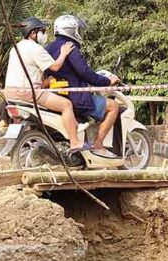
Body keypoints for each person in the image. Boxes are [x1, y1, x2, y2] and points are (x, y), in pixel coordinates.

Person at [4, 17, 89, 152]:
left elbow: (29, 72)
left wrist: (46, 81)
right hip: (27, 93)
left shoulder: (15, 48)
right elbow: (55, 67)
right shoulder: (35, 48)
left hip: (10, 93)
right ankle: (75, 142)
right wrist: (63, 53)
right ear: (32, 33)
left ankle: (72, 126)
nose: (44, 34)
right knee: (66, 105)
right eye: (42, 31)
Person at [44, 15, 121, 158]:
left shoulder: (47, 48)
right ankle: (98, 144)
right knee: (113, 107)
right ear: (71, 30)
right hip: (77, 98)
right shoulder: (70, 47)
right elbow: (84, 72)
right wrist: (106, 81)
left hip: (56, 96)